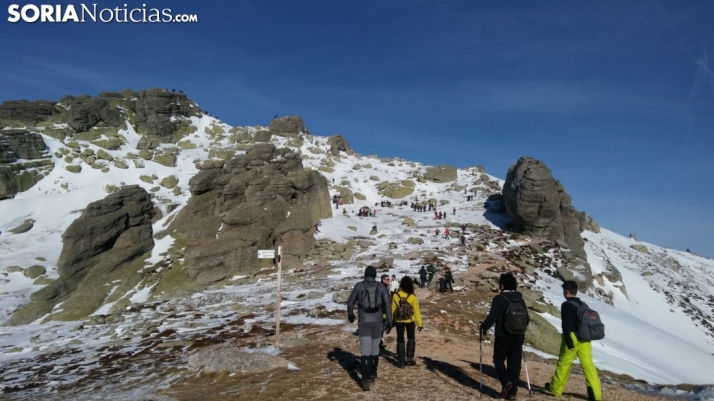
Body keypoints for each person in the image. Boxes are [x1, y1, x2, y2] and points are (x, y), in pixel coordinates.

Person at [546, 281, 602, 401]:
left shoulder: (566, 305)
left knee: (564, 363)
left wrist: (569, 342)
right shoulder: (583, 304)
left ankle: (555, 390)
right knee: (588, 365)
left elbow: (566, 326)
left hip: (572, 337)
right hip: (585, 338)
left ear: (567, 291)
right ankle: (596, 395)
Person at [480, 273, 530, 400]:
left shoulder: (499, 299)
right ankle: (512, 393)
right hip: (518, 336)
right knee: (514, 364)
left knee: (498, 359)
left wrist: (484, 327)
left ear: (502, 285)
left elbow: (492, 317)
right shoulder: (521, 299)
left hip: (503, 335)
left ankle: (506, 382)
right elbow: (527, 319)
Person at [347, 266, 393, 391]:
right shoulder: (381, 286)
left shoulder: (359, 286)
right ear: (375, 275)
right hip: (378, 322)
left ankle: (365, 379)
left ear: (365, 274)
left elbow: (350, 302)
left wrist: (351, 315)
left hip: (364, 322)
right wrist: (389, 320)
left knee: (365, 350)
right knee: (375, 349)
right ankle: (373, 373)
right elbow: (387, 304)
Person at [391, 276, 423, 368]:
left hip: (399, 320)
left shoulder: (396, 295)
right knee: (411, 338)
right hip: (410, 320)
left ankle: (401, 361)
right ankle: (410, 357)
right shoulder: (412, 296)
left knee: (400, 339)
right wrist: (420, 323)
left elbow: (392, 309)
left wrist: (392, 320)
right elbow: (416, 311)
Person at [379, 274, 391, 351]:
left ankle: (379, 342)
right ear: (383, 280)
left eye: (389, 279)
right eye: (387, 279)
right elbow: (384, 302)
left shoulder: (383, 287)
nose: (389, 281)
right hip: (382, 311)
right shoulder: (382, 288)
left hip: (381, 310)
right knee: (381, 327)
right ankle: (379, 343)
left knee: (381, 327)